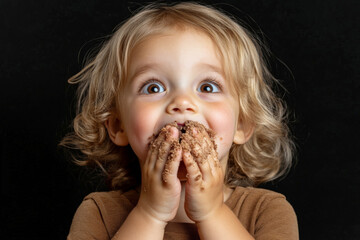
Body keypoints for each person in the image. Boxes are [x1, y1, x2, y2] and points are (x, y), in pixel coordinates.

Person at [61, 2, 298, 239]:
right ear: (117, 126)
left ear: (243, 124)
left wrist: (212, 213)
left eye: (208, 86)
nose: (182, 102)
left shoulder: (266, 211)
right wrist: (150, 214)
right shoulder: (100, 212)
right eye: (153, 87)